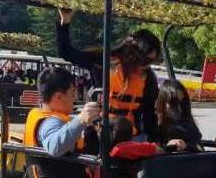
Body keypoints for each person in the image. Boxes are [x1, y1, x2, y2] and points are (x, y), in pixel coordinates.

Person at [57, 10, 160, 140]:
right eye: (145, 60)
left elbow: (149, 115)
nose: (147, 65)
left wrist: (155, 142)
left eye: (152, 61)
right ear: (132, 54)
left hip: (130, 136)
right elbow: (66, 53)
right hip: (99, 134)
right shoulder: (103, 62)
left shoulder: (148, 78)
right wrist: (65, 22)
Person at [23, 66, 100, 178]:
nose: (74, 98)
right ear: (59, 96)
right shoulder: (50, 122)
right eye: (71, 93)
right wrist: (81, 119)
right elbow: (54, 147)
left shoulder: (47, 116)